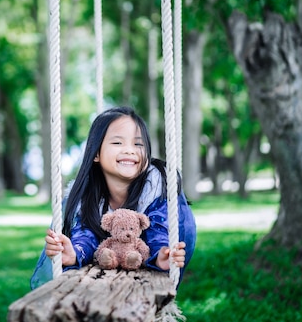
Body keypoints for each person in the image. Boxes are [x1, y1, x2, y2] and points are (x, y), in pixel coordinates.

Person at [31, 106, 196, 289]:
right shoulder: (88, 197)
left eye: (138, 144)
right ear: (96, 154)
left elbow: (159, 229)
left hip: (157, 243)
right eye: (118, 143)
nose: (130, 150)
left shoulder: (157, 188)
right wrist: (74, 253)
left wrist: (160, 255)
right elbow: (87, 234)